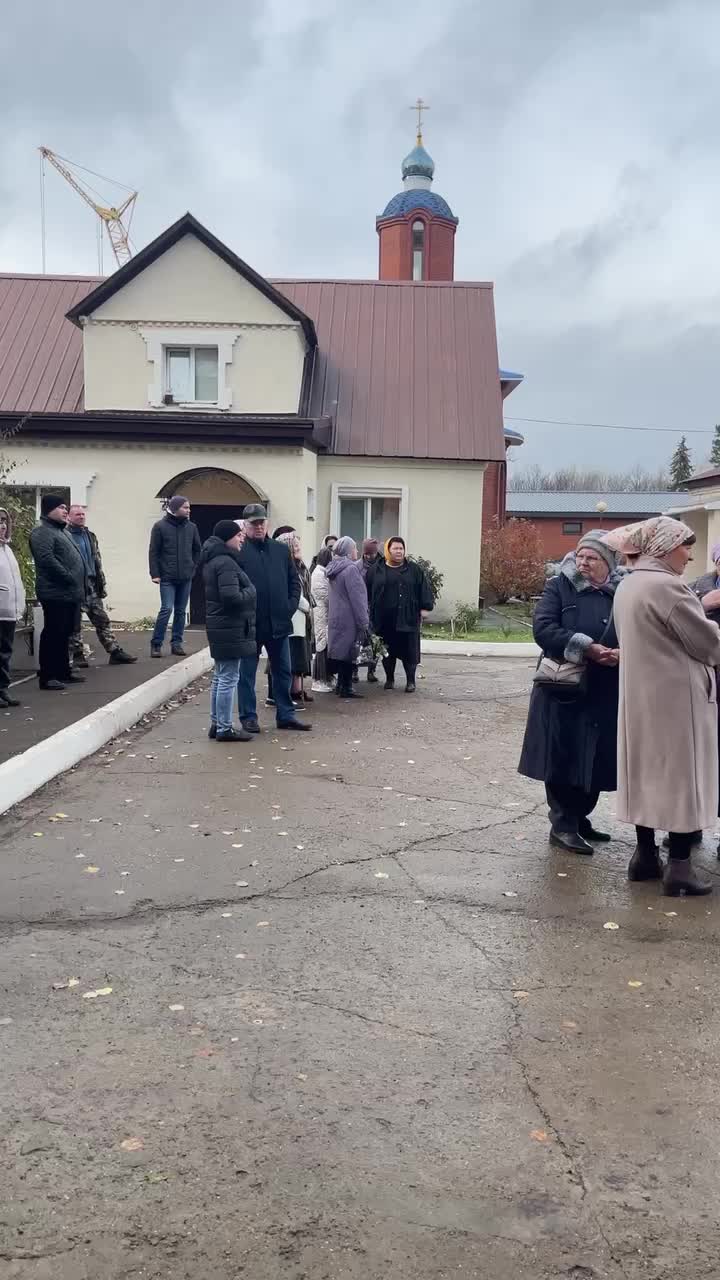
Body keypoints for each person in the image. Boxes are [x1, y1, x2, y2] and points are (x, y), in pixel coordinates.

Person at [614, 516, 720, 895]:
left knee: (645, 773)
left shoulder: (629, 585)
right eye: (684, 546)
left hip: (641, 695)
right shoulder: (668, 588)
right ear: (663, 547)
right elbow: (708, 644)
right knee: (681, 780)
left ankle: (644, 857)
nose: (689, 556)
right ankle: (679, 869)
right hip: (677, 701)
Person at [518, 532, 622, 855]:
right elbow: (544, 628)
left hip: (604, 687)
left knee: (595, 756)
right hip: (564, 686)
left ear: (608, 562)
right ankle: (562, 824)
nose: (583, 562)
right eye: (580, 556)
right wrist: (587, 648)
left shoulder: (619, 591)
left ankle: (580, 817)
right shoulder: (559, 585)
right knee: (563, 754)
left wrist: (621, 652)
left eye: (592, 557)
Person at [237, 504, 310, 732]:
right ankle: (248, 717)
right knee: (246, 673)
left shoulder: (279, 550)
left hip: (279, 621)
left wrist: (288, 607)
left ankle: (285, 715)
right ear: (245, 525)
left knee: (283, 670)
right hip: (251, 623)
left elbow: (293, 581)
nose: (258, 527)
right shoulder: (239, 551)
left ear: (267, 523)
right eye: (253, 523)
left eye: (261, 522)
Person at [200, 520, 256, 743]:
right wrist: (251, 592)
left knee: (221, 676)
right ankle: (224, 727)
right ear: (228, 538)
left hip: (221, 626)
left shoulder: (215, 560)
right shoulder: (225, 563)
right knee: (228, 677)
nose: (242, 538)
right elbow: (231, 597)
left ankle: (217, 723)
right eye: (239, 535)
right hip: (229, 627)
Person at [66, 505, 136, 667]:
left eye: (83, 514)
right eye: (77, 514)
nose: (81, 517)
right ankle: (77, 654)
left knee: (101, 619)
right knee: (75, 622)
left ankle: (114, 651)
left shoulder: (90, 536)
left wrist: (101, 583)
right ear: (69, 517)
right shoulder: (66, 536)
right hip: (75, 585)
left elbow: (97, 561)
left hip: (92, 583)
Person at [29, 495, 87, 691]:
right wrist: (69, 577)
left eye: (66, 507)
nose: (65, 511)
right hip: (55, 593)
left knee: (65, 633)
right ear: (49, 510)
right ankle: (48, 676)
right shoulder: (42, 532)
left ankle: (63, 671)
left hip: (70, 593)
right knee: (53, 633)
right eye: (62, 507)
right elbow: (46, 560)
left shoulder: (62, 532)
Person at [367, 536, 433, 693]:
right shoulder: (376, 569)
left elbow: (424, 588)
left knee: (409, 652)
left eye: (401, 548)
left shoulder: (414, 570)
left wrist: (425, 608)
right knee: (387, 652)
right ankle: (390, 679)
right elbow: (367, 590)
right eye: (395, 548)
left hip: (408, 618)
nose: (399, 551)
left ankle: (411, 681)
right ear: (388, 550)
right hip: (384, 620)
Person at [148, 496, 201, 658]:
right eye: (185, 507)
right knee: (167, 609)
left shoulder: (191, 527)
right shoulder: (160, 526)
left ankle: (176, 643)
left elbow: (197, 550)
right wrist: (155, 574)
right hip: (167, 577)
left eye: (189, 507)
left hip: (185, 577)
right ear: (175, 508)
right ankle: (156, 644)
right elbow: (154, 552)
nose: (188, 510)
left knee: (180, 611)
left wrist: (193, 567)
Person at [326, 536, 370, 699]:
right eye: (355, 548)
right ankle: (347, 687)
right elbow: (357, 597)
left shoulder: (333, 568)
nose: (357, 551)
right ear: (348, 551)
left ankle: (340, 685)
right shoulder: (351, 569)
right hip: (350, 618)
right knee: (350, 652)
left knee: (342, 651)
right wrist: (363, 621)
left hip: (336, 616)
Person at [277, 532, 313, 705]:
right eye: (294, 545)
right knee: (291, 656)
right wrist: (307, 607)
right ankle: (290, 693)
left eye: (298, 544)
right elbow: (294, 593)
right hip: (294, 617)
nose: (298, 548)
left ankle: (297, 690)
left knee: (299, 655)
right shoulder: (285, 566)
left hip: (301, 619)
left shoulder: (301, 566)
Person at [0, 507, 26, 707]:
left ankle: (3, 689)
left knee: (5, 651)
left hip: (9, 610)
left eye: (3, 521)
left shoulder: (7, 549)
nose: (1, 525)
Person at [310, 546, 334, 692]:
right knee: (321, 646)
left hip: (324, 614)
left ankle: (326, 677)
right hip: (321, 615)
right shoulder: (319, 574)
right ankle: (319, 679)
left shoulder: (322, 572)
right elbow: (325, 596)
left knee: (324, 645)